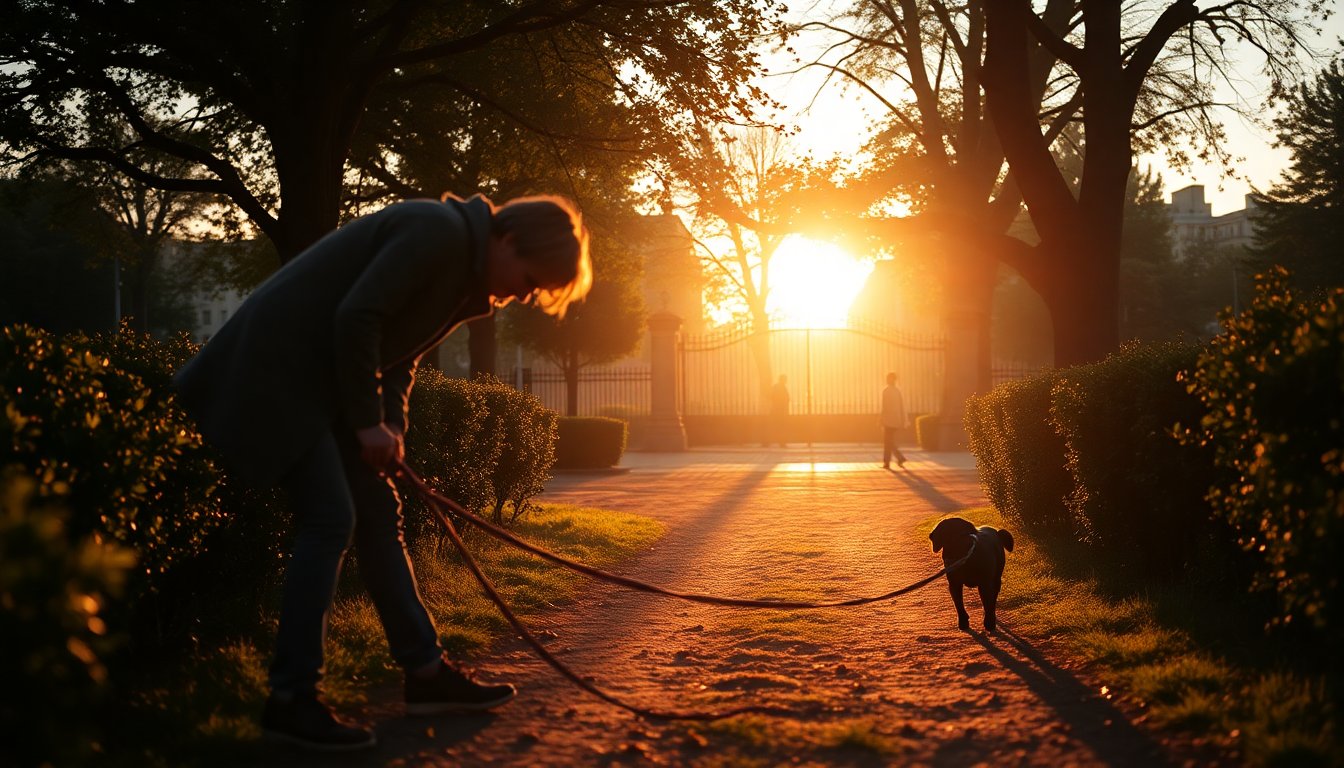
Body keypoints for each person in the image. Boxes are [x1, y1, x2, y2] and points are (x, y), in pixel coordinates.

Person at [172, 193, 591, 751]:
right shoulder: (436, 232)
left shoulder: (459, 269)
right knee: (329, 520)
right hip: (275, 375)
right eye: (531, 279)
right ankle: (290, 700)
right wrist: (367, 422)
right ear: (510, 240)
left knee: (378, 516)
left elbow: (399, 356)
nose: (524, 295)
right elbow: (359, 316)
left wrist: (388, 428)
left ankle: (424, 674)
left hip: (324, 388)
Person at [881, 371, 908, 469]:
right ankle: (890, 461)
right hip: (896, 420)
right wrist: (903, 420)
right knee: (889, 441)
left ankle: (892, 460)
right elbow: (902, 407)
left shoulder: (886, 391)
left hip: (889, 420)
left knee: (888, 441)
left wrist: (881, 419)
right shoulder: (897, 391)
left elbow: (884, 407)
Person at [767, 374, 790, 447]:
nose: (786, 381)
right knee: (780, 427)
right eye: (785, 379)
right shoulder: (781, 387)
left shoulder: (776, 387)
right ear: (782, 380)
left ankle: (768, 442)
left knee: (774, 427)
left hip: (776, 410)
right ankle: (781, 443)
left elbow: (772, 396)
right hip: (780, 410)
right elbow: (786, 398)